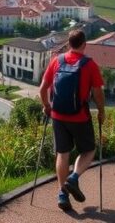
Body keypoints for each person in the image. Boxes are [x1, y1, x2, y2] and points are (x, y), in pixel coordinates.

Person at [39, 29, 105, 211]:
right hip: (79, 116)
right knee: (89, 150)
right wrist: (101, 111)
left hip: (58, 115)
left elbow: (43, 88)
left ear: (68, 43)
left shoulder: (56, 61)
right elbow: (98, 93)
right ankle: (73, 178)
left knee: (62, 153)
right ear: (84, 44)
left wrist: (46, 106)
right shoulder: (89, 65)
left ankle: (62, 194)